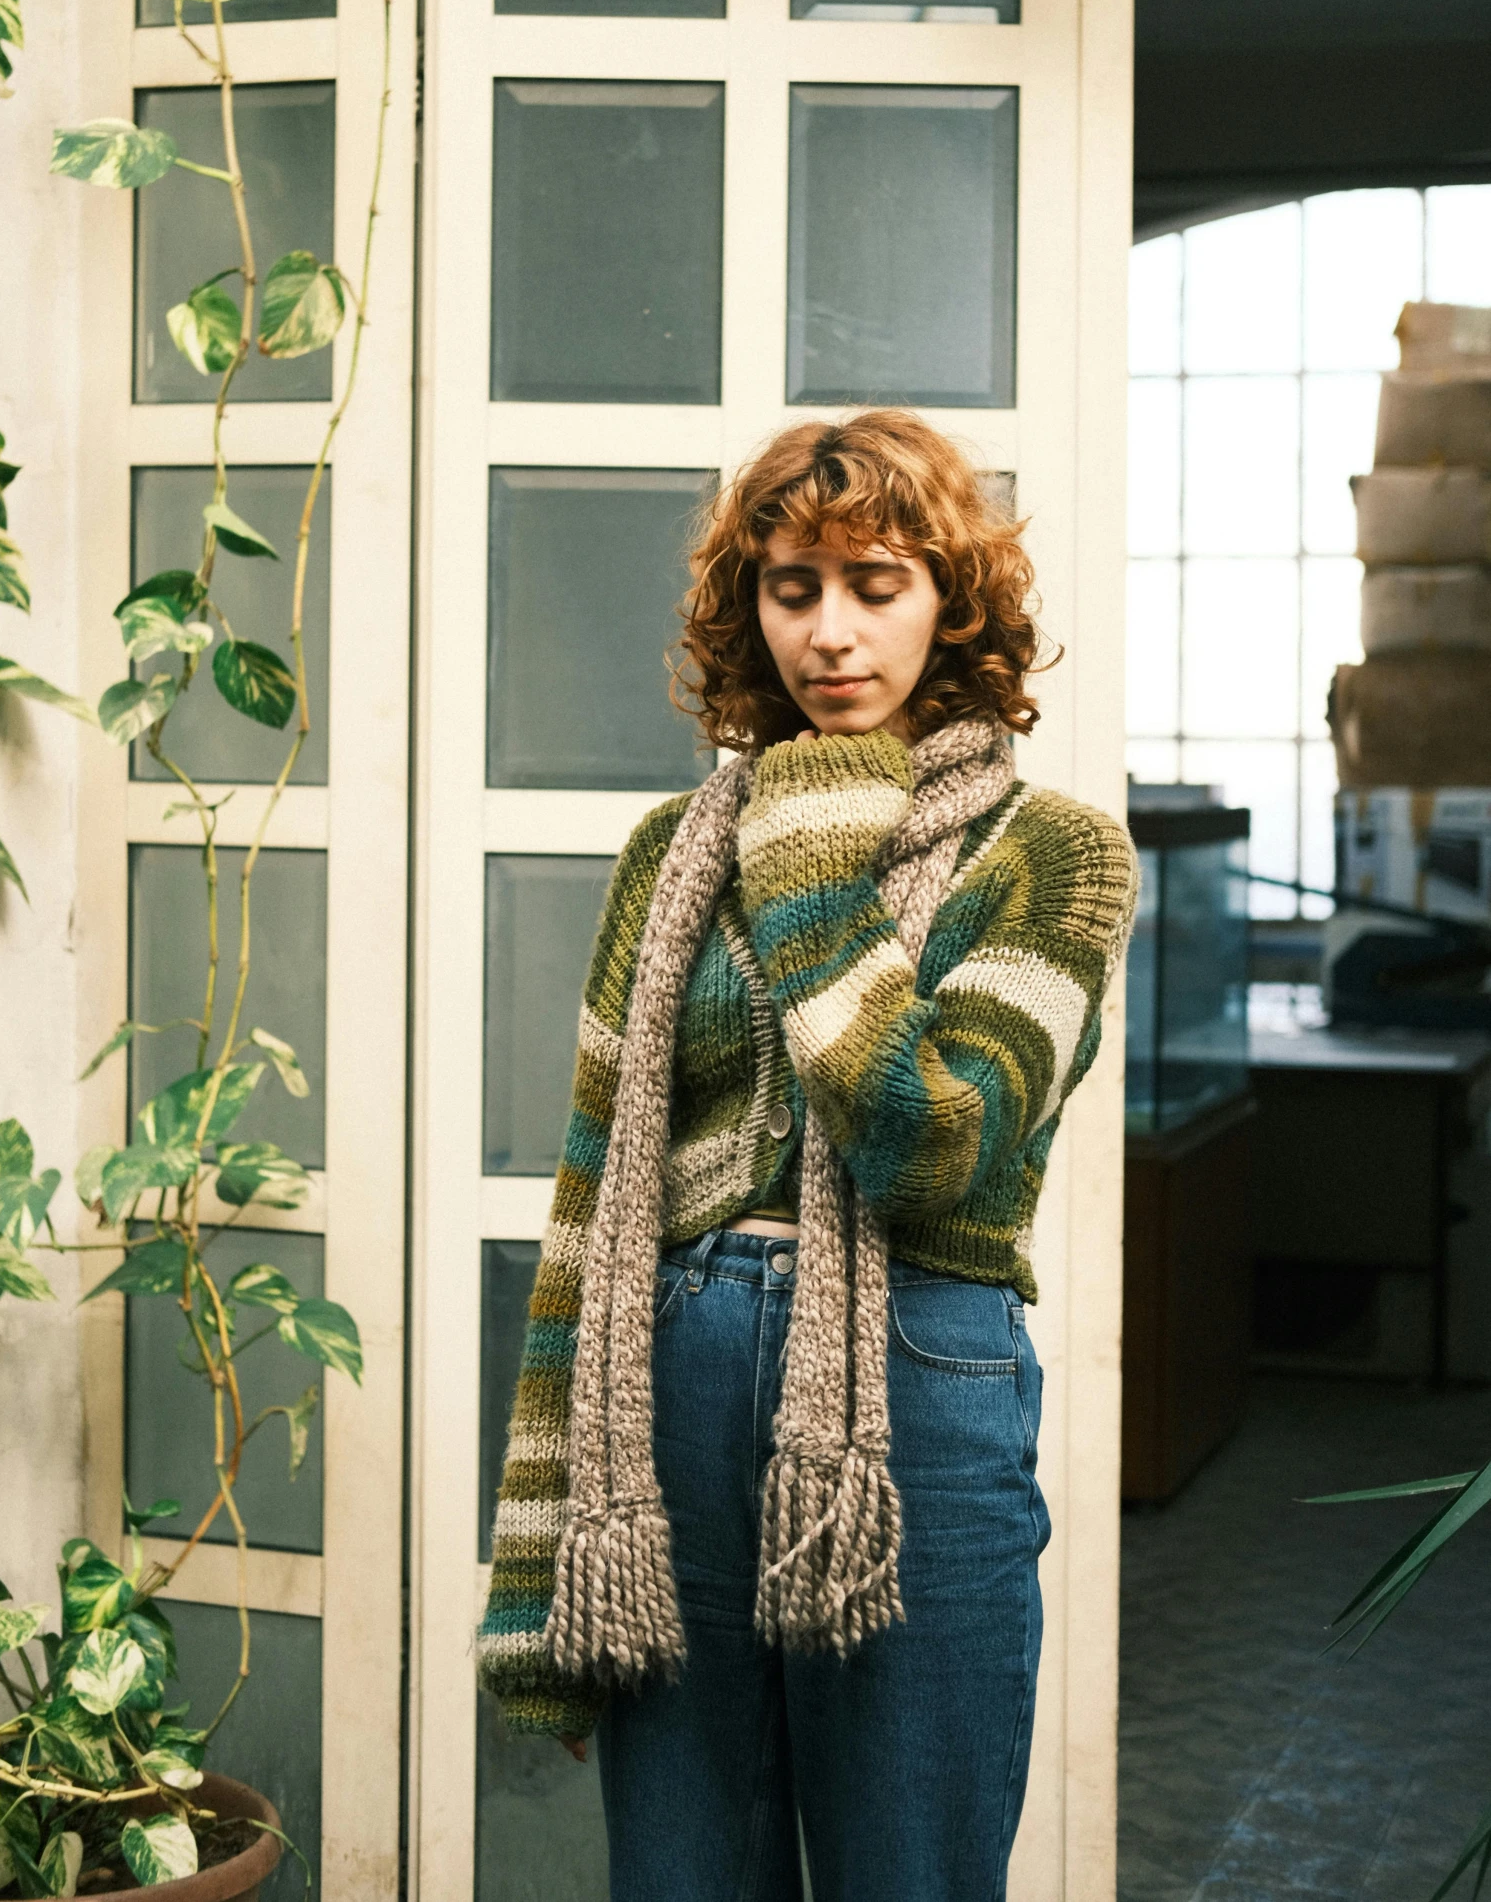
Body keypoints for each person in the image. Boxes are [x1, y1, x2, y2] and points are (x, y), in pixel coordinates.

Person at [477, 410, 1138, 1902]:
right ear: (748, 607)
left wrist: (812, 857)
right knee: (681, 1876)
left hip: (916, 1380)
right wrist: (538, 1566)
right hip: (675, 1379)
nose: (829, 632)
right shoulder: (671, 849)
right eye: (792, 589)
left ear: (949, 602)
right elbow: (593, 1198)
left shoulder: (1059, 855)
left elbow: (926, 1146)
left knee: (911, 1864)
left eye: (876, 582)